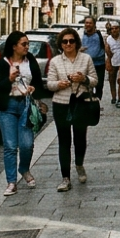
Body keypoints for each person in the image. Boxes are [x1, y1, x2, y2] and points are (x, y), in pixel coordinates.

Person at [0, 31, 45, 196]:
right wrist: (8, 79)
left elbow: (38, 82)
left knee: (27, 144)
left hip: (25, 106)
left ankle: (24, 168)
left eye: (27, 44)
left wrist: (34, 89)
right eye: (24, 44)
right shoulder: (2, 64)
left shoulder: (31, 61)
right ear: (14, 46)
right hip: (7, 107)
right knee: (10, 146)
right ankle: (12, 182)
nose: (27, 47)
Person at [47, 28, 98, 192]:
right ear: (60, 44)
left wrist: (83, 78)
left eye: (71, 41)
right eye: (65, 41)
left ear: (76, 42)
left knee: (80, 137)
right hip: (61, 103)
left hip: (81, 102)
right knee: (64, 140)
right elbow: (49, 84)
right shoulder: (55, 61)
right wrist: (59, 84)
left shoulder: (86, 59)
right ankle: (65, 178)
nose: (68, 44)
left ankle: (79, 164)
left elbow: (95, 80)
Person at [80, 16, 108, 100]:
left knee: (99, 86)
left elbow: (106, 48)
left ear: (94, 24)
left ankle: (97, 103)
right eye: (86, 23)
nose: (88, 25)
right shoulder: (81, 35)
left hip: (99, 64)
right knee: (87, 85)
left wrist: (109, 61)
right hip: (86, 65)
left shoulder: (100, 35)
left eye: (90, 23)